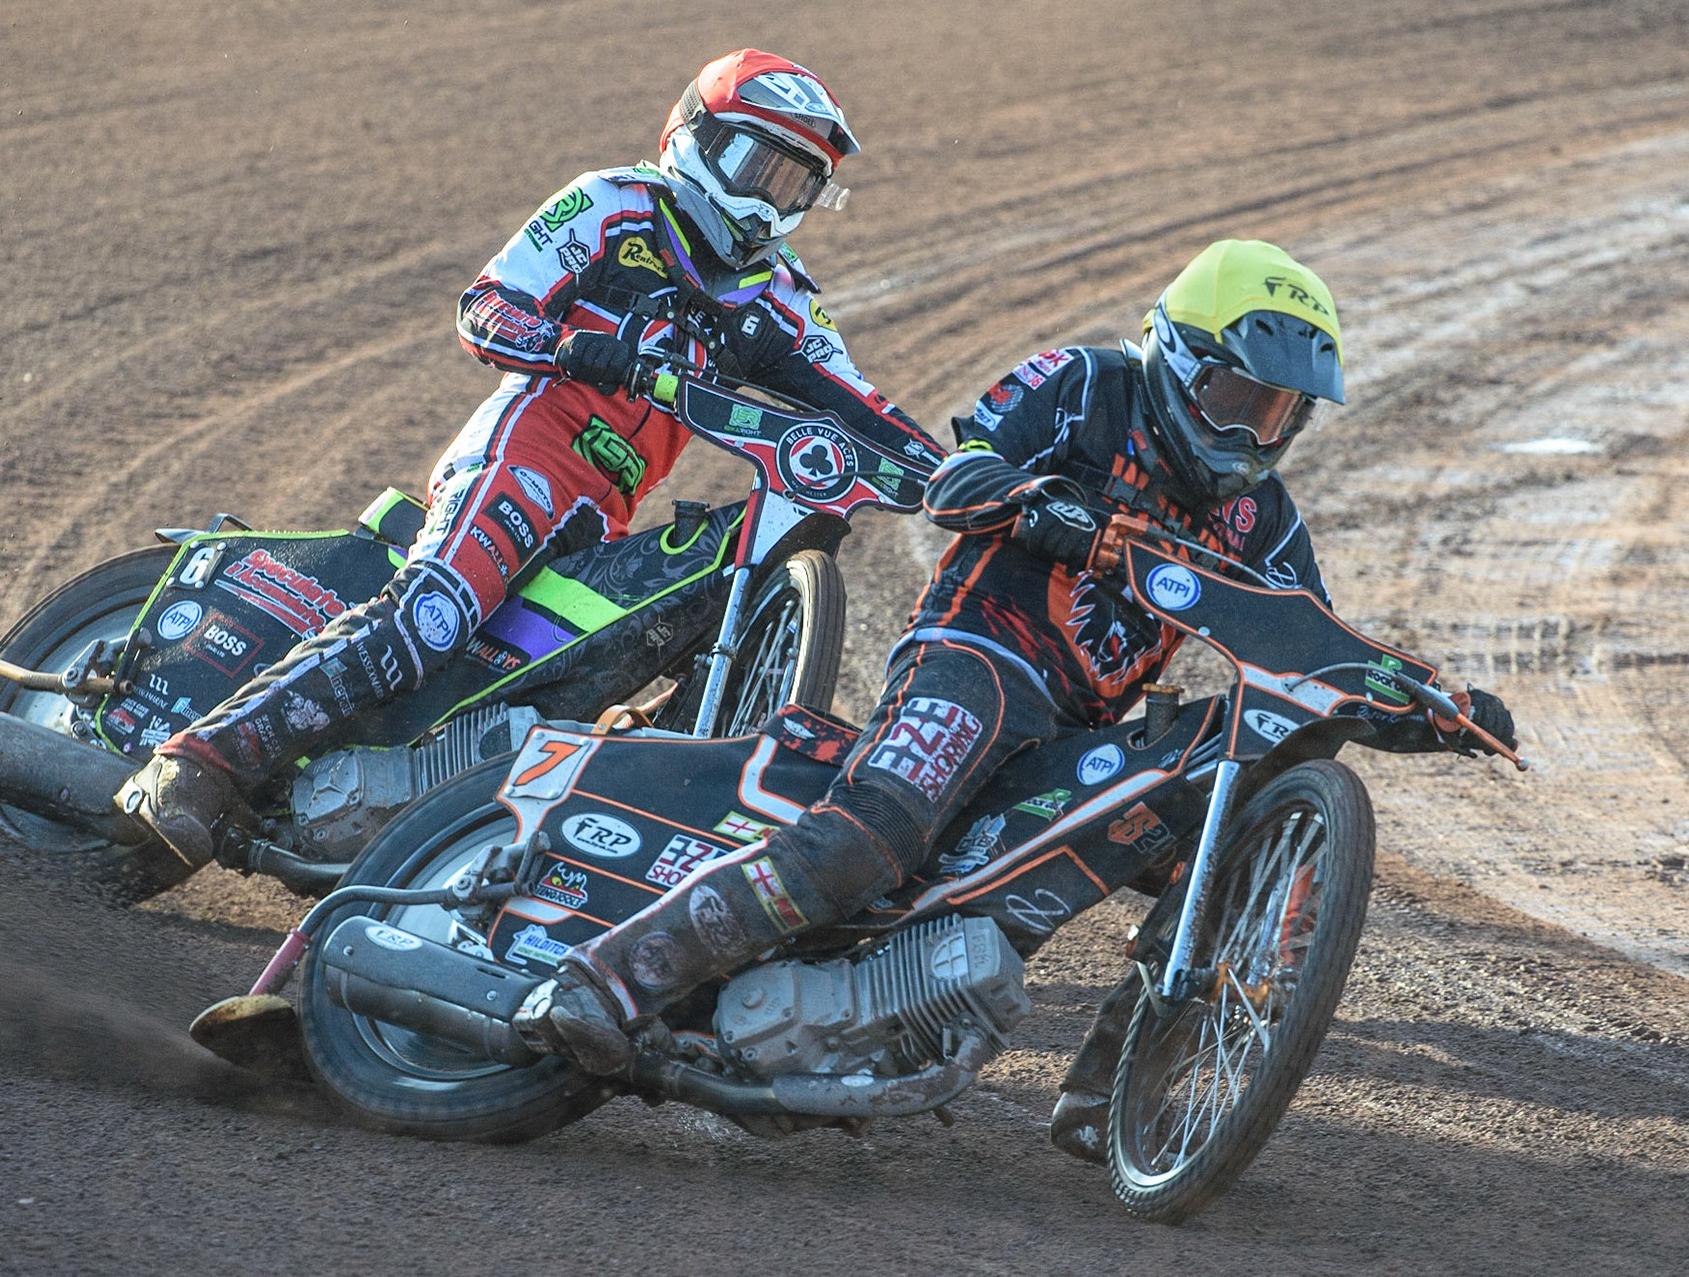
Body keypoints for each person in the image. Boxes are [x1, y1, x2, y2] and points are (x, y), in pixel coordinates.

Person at [515, 239, 1519, 1162]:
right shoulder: (1083, 384)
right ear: (1175, 356)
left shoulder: (1263, 515)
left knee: (1238, 806)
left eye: (1276, 412)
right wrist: (1062, 518)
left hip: (1075, 732)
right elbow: (954, 481)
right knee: (871, 838)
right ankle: (610, 975)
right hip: (976, 656)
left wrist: (1434, 706)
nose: (1251, 429)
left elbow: (1310, 649)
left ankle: (1112, 1091)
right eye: (1230, 395)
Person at [117, 50, 943, 865]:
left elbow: (863, 405)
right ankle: (196, 760)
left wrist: (966, 477)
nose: (772, 195)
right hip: (527, 452)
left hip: (603, 511)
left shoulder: (782, 294)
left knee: (586, 681)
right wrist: (580, 348)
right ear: (697, 134)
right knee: (429, 615)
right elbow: (484, 308)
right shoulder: (613, 204)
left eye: (797, 181)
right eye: (759, 163)